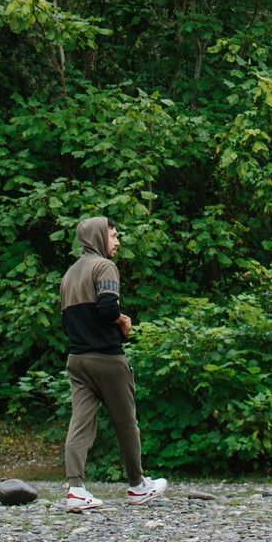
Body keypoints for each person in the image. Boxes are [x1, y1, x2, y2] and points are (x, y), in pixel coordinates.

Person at [57, 215, 167, 510]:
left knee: (80, 424)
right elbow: (107, 305)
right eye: (114, 236)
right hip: (107, 358)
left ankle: (76, 489)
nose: (117, 242)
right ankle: (137, 485)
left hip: (77, 360)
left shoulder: (69, 275)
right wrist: (122, 320)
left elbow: (66, 322)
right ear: (97, 237)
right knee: (125, 423)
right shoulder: (105, 266)